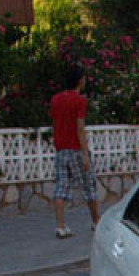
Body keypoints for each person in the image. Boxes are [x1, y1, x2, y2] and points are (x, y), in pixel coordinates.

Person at [50, 65, 99, 239]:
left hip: (61, 149)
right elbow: (80, 127)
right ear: (80, 80)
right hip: (76, 149)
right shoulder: (79, 101)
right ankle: (96, 222)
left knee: (61, 187)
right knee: (89, 185)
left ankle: (60, 226)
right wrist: (85, 153)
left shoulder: (55, 100)